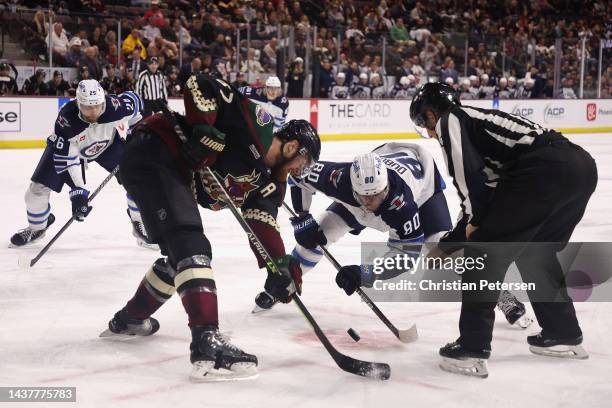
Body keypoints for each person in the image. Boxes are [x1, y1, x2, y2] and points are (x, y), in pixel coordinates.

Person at [101, 73, 320, 382]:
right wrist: (203, 128)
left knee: (180, 257)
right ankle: (206, 343)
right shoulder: (258, 125)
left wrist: (280, 266)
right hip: (157, 146)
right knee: (192, 246)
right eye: (305, 161)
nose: (302, 170)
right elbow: (201, 83)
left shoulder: (270, 184)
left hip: (170, 171)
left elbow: (261, 224)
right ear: (292, 147)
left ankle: (129, 319)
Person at [409, 83, 597, 377]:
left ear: (432, 112)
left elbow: (469, 185)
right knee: (536, 256)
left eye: (423, 123)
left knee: (483, 254)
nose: (429, 133)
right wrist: (450, 242)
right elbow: (489, 203)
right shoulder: (480, 128)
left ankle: (471, 348)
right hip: (580, 168)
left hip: (544, 172)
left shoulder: (452, 119)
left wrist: (460, 241)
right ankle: (563, 334)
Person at [9, 80, 154, 249]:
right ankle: (37, 228)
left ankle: (139, 223)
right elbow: (68, 160)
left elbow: (136, 101)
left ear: (103, 101)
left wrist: (137, 128)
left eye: (97, 106)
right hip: (72, 150)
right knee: (35, 192)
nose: (93, 112)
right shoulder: (66, 120)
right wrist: (78, 193)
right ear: (78, 103)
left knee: (139, 181)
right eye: (87, 107)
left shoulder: (116, 107)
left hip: (107, 146)